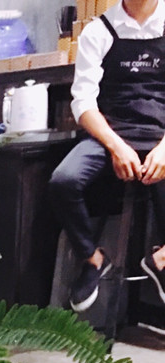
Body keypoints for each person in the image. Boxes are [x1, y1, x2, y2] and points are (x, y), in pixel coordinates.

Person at [49, 0, 165, 313]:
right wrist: (116, 146)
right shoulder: (98, 31)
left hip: (161, 135)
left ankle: (161, 259)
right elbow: (83, 103)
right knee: (64, 181)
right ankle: (93, 259)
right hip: (110, 134)